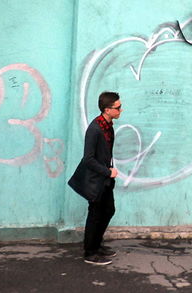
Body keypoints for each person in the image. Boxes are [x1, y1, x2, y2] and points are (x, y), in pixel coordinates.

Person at [68, 91, 122, 265]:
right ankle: (90, 252)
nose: (121, 110)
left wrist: (109, 172)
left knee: (108, 210)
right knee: (96, 213)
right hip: (96, 180)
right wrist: (108, 172)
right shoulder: (95, 129)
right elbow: (88, 159)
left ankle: (96, 245)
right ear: (107, 109)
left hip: (104, 180)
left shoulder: (109, 126)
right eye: (118, 107)